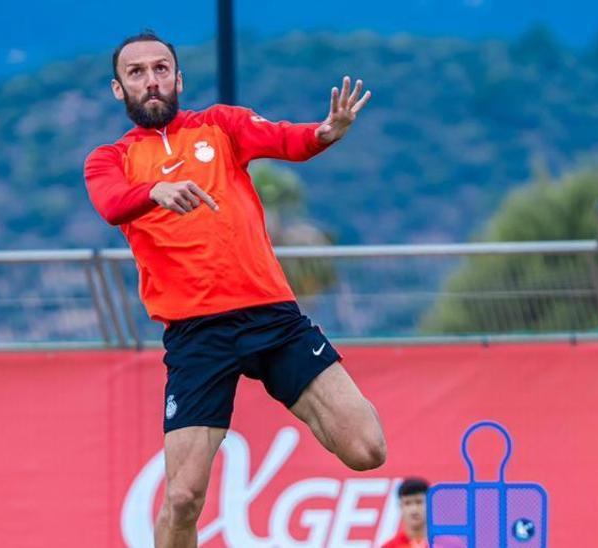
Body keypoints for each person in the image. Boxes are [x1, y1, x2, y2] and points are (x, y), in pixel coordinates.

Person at [84, 30, 387, 547]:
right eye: (136, 73)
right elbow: (112, 204)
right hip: (196, 337)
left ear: (178, 79)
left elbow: (289, 139)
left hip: (271, 317)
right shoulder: (109, 160)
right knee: (182, 498)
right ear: (119, 90)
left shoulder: (219, 126)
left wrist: (326, 131)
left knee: (367, 449)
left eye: (161, 69)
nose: (151, 80)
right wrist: (156, 190)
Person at [382, 477, 430, 547]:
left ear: (430, 504)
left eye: (419, 502)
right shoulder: (390, 546)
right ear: (400, 507)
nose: (414, 509)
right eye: (407, 503)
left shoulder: (444, 544)